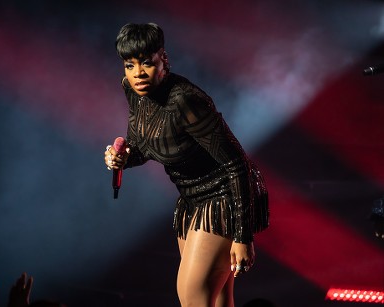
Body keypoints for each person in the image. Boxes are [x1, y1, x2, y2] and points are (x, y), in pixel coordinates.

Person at [104, 23, 269, 307]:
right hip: (192, 199)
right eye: (130, 65)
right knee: (215, 299)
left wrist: (243, 237)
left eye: (146, 63)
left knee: (193, 297)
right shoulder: (133, 91)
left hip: (225, 195)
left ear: (163, 60)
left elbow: (237, 165)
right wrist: (123, 158)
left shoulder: (185, 101)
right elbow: (144, 145)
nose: (138, 73)